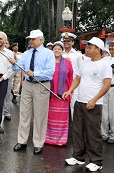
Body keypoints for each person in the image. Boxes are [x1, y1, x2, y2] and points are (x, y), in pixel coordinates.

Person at [63, 37, 111, 172]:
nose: (87, 48)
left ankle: (96, 161)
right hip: (80, 101)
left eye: (90, 46)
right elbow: (77, 78)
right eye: (87, 46)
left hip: (94, 104)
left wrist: (94, 99)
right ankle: (78, 156)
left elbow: (107, 85)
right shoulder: (85, 63)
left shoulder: (104, 65)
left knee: (93, 133)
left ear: (98, 49)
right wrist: (70, 90)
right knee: (77, 131)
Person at [9, 29, 55, 154]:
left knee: (40, 115)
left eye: (33, 39)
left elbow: (50, 72)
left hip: (41, 85)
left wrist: (35, 73)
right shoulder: (27, 53)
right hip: (28, 85)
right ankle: (22, 141)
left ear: (41, 39)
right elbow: (19, 67)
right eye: (30, 39)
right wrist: (14, 63)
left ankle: (38, 143)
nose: (31, 41)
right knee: (24, 113)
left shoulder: (48, 54)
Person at [45, 41, 73, 146]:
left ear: (62, 51)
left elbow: (71, 78)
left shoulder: (67, 62)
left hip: (63, 94)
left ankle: (61, 139)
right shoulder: (48, 62)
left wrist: (70, 91)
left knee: (62, 118)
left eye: (59, 49)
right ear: (52, 51)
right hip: (50, 93)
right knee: (49, 117)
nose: (57, 51)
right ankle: (48, 138)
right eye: (55, 49)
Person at [61, 32, 83, 120]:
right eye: (64, 41)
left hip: (74, 84)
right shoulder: (59, 53)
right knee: (62, 106)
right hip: (62, 83)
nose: (66, 42)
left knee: (73, 106)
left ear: (73, 42)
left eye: (68, 41)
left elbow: (81, 71)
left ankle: (74, 129)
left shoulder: (78, 55)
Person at [101, 40, 114, 144]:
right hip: (104, 87)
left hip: (113, 87)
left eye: (113, 46)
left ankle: (113, 134)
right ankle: (104, 134)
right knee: (104, 112)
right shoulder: (105, 59)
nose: (111, 48)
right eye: (110, 46)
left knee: (112, 112)